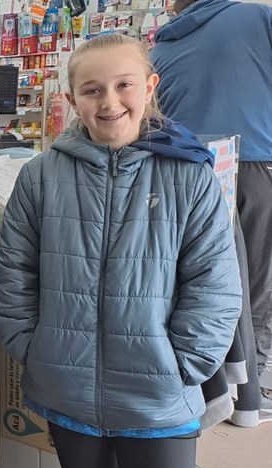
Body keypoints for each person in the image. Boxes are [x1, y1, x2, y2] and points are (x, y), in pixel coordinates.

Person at [0, 34, 242, 468]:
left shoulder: (189, 175)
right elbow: (13, 271)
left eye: (124, 84)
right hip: (66, 390)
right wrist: (34, 350)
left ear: (149, 86)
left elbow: (214, 282)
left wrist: (185, 364)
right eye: (92, 90)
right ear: (72, 99)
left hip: (160, 398)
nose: (109, 102)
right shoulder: (40, 176)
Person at [151, 0, 272, 391]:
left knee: (200, 281)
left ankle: (210, 384)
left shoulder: (160, 46)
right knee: (257, 280)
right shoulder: (256, 17)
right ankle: (252, 387)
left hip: (185, 171)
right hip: (256, 161)